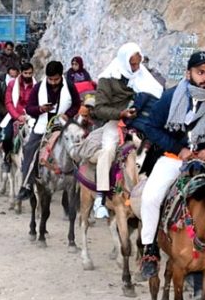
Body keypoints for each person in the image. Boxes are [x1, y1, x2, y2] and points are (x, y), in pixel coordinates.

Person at [139, 51, 205, 279]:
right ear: (188, 73)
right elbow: (151, 128)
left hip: (204, 159)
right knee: (150, 197)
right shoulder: (170, 97)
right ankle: (149, 249)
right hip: (173, 158)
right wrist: (178, 149)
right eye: (200, 72)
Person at [93, 42, 164, 218]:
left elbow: (156, 94)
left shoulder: (142, 76)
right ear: (124, 61)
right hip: (115, 122)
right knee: (108, 151)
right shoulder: (107, 79)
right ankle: (100, 198)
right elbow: (99, 109)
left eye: (138, 63)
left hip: (139, 123)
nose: (136, 67)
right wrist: (121, 113)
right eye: (132, 64)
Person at [16, 61, 82, 201]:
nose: (53, 82)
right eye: (50, 79)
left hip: (63, 126)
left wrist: (68, 114)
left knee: (78, 146)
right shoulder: (38, 87)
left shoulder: (69, 86)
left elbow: (77, 104)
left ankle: (80, 183)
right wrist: (40, 109)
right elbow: (29, 109)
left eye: (56, 79)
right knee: (30, 149)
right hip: (42, 126)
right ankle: (27, 183)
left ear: (61, 76)